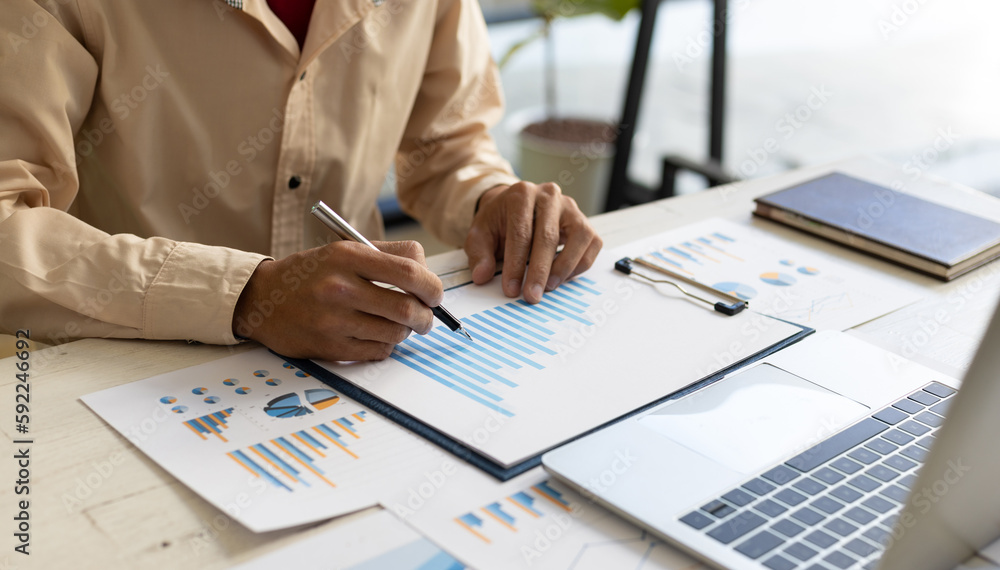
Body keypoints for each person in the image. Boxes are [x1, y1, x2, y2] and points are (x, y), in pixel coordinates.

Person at [0, 0, 602, 361]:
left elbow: (445, 142)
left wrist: (489, 197)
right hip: (121, 365)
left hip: (362, 358)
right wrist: (243, 295)